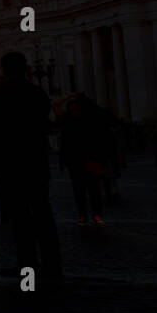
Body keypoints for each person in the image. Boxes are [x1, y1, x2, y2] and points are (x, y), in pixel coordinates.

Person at [0, 51, 62, 284]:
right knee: (43, 214)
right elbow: (46, 126)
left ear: (3, 70)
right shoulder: (37, 94)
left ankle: (27, 264)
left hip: (10, 167)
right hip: (35, 164)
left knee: (19, 218)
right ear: (26, 68)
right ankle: (52, 263)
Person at [58, 95, 113, 226]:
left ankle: (97, 214)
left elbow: (105, 116)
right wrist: (72, 95)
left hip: (91, 160)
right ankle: (83, 215)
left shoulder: (91, 120)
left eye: (77, 109)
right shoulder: (67, 121)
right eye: (72, 110)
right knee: (79, 191)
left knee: (94, 190)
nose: (75, 112)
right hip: (75, 162)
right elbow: (55, 104)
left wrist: (85, 100)